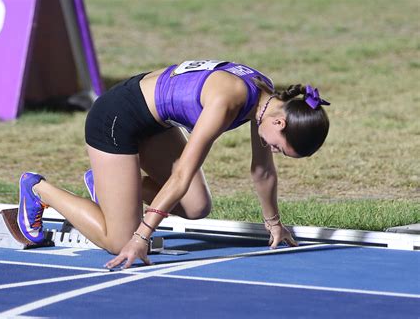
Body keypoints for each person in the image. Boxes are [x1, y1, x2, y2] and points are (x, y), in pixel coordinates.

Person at [17, 60, 330, 269]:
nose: (272, 150)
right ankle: (38, 189)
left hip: (155, 123)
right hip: (115, 119)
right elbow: (182, 175)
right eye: (278, 147)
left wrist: (274, 223)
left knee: (195, 207)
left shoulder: (266, 98)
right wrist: (141, 237)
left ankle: (111, 188)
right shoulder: (229, 101)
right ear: (279, 121)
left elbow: (262, 171)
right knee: (119, 241)